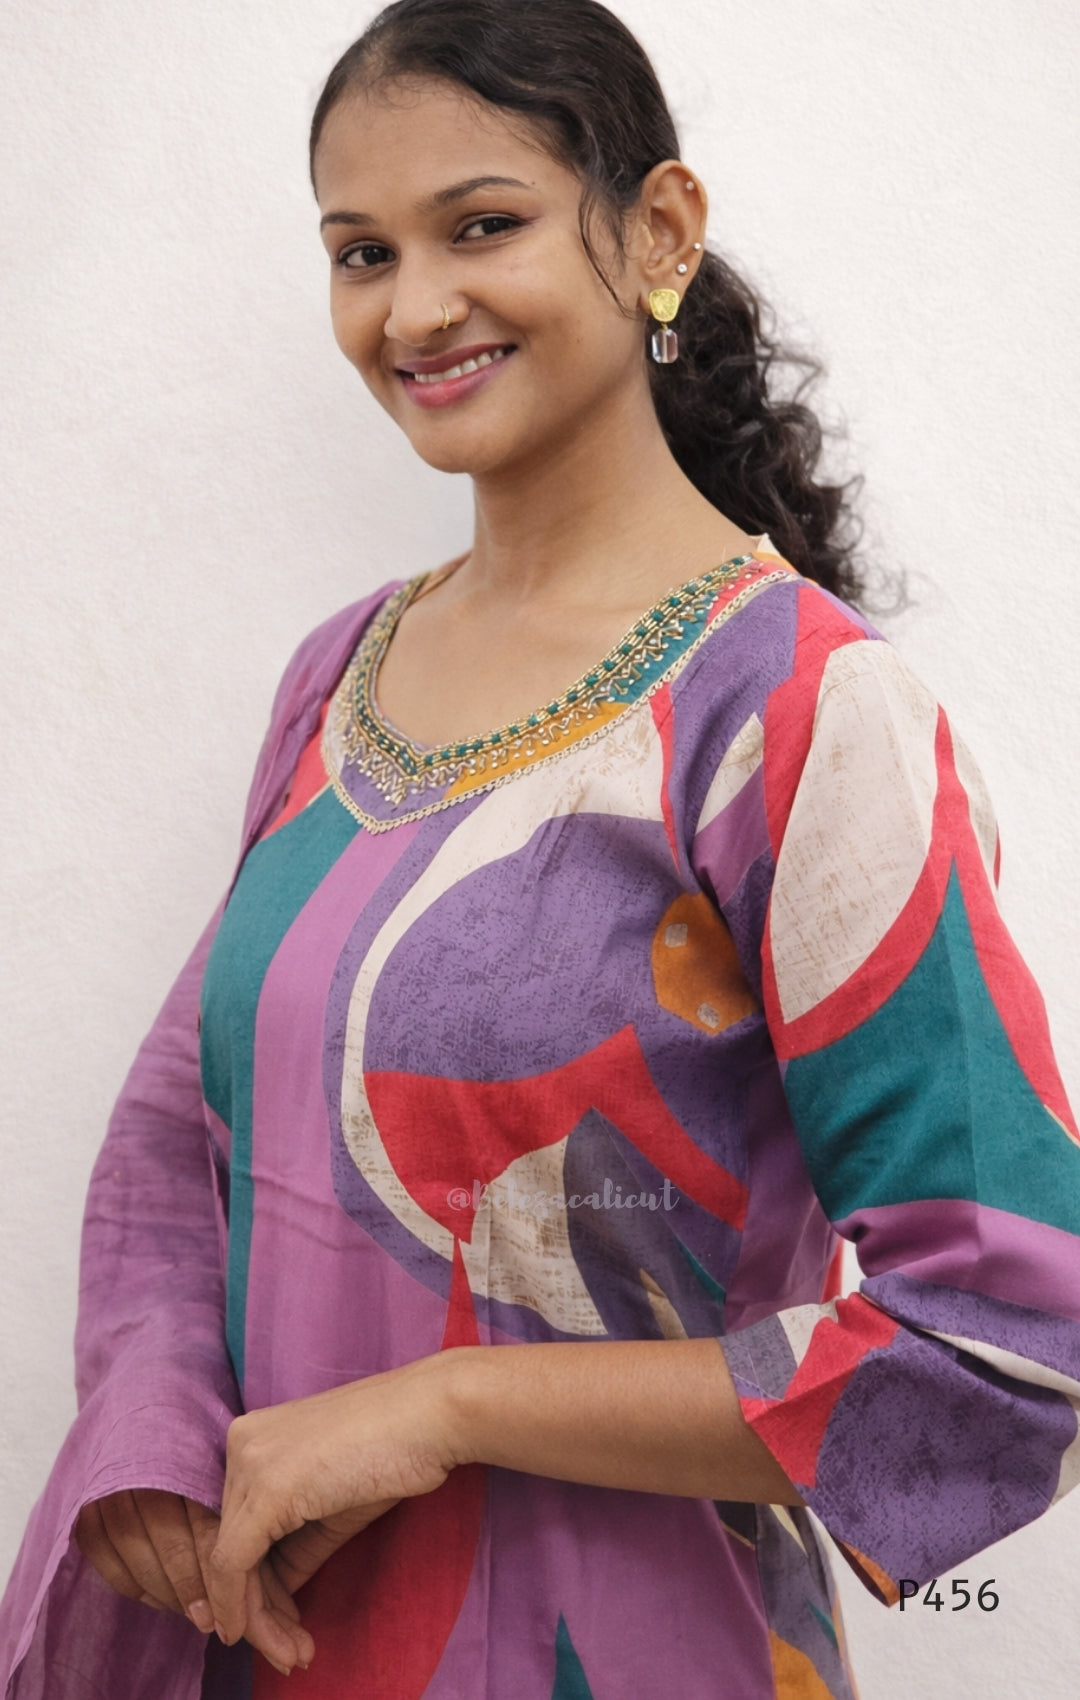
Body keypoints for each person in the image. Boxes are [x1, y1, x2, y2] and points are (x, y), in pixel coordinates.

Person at [2, 1, 1079, 1695]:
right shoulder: (336, 678)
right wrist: (148, 1427)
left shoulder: (799, 716)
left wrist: (442, 1406)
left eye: (481, 224)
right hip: (269, 1644)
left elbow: (1010, 1345)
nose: (413, 306)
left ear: (658, 232)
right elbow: (178, 1125)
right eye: (362, 250)